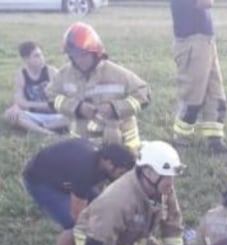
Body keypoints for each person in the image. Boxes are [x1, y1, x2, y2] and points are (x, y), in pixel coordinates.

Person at [22, 139, 135, 245]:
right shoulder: (84, 169)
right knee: (73, 227)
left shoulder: (102, 162)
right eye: (120, 173)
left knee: (99, 208)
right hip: (40, 180)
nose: (120, 178)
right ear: (110, 164)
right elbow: (78, 217)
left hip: (65, 177)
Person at [46, 22, 150, 153]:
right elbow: (50, 96)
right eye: (74, 55)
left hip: (122, 145)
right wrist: (77, 107)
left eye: (83, 54)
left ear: (96, 52)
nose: (79, 60)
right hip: (82, 144)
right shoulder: (65, 74)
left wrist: (115, 108)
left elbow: (144, 95)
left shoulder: (117, 74)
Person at [169, 0, 227, 154]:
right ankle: (180, 142)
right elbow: (205, 2)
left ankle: (214, 141)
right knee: (192, 97)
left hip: (204, 41)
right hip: (192, 42)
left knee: (215, 94)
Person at [4, 41, 67, 136]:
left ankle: (42, 128)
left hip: (56, 115)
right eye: (36, 56)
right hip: (34, 115)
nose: (42, 58)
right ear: (26, 59)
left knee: (75, 115)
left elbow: (61, 100)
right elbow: (19, 99)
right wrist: (18, 106)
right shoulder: (21, 75)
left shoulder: (51, 72)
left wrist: (28, 105)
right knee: (9, 115)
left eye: (41, 55)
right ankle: (47, 132)